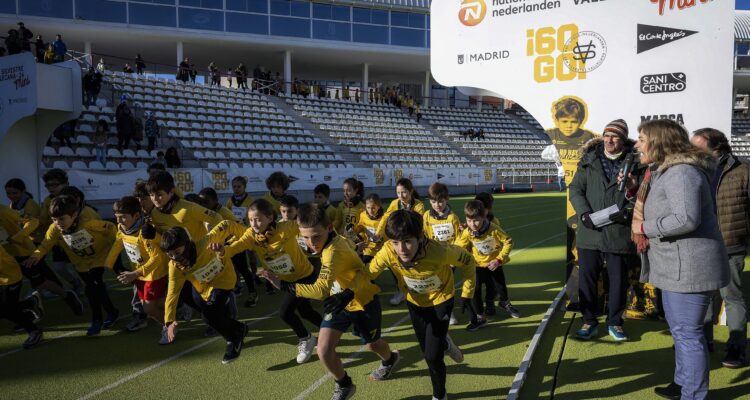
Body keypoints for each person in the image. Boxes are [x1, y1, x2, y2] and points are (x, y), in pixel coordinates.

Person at [622, 119, 730, 400]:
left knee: (688, 334)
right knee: (682, 332)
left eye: (642, 139)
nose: (637, 145)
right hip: (677, 266)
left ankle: (693, 394)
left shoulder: (681, 171)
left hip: (689, 268)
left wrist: (643, 227)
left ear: (659, 142)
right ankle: (683, 384)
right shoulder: (664, 171)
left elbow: (686, 219)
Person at [293, 204, 400, 399]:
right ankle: (344, 385)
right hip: (339, 302)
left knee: (373, 345)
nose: (311, 243)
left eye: (316, 236)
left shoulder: (333, 252)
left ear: (329, 228)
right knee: (323, 350)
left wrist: (290, 288)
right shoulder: (334, 240)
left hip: (363, 301)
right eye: (306, 237)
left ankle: (390, 359)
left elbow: (320, 290)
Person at [366, 210, 476, 400]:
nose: (401, 249)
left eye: (408, 241)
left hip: (441, 299)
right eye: (395, 242)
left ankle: (439, 395)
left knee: (432, 358)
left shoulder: (440, 252)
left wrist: (467, 293)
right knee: (427, 349)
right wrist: (347, 292)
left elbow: (468, 261)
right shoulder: (388, 251)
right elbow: (368, 274)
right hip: (415, 302)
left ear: (421, 236)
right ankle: (444, 341)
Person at [206, 199, 323, 364]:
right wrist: (222, 250)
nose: (254, 223)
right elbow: (235, 247)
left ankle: (306, 338)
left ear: (270, 217)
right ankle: (329, 330)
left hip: (305, 275)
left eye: (258, 219)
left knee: (285, 312)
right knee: (305, 311)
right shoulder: (251, 235)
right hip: (284, 280)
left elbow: (309, 228)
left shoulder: (286, 228)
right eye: (251, 219)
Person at [569, 119, 641, 341]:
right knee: (587, 279)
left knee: (618, 280)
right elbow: (575, 190)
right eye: (607, 135)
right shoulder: (588, 160)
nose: (610, 140)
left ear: (623, 139)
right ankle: (588, 321)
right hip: (590, 232)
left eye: (615, 136)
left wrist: (628, 212)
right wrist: (584, 214)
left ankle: (615, 323)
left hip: (618, 232)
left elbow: (643, 193)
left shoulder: (637, 162)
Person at [691, 128, 750, 368]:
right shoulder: (693, 169)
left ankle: (736, 347)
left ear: (716, 147)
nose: (692, 149)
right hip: (701, 245)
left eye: (697, 145)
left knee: (732, 296)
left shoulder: (743, 170)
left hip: (731, 244)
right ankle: (703, 343)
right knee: (703, 298)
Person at [25, 195, 119, 336]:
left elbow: (111, 227)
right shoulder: (55, 228)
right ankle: (112, 312)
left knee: (92, 288)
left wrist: (116, 244)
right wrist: (35, 255)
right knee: (96, 287)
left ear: (74, 215)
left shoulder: (87, 223)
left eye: (62, 219)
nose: (58, 223)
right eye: (54, 219)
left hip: (99, 258)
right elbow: (46, 244)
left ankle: (97, 320)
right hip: (80, 263)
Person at [161, 227, 248, 363]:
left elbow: (226, 224)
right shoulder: (174, 266)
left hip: (224, 279)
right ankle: (236, 326)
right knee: (192, 299)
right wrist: (169, 322)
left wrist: (250, 235)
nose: (174, 258)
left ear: (187, 244)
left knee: (208, 315)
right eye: (169, 254)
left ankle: (234, 337)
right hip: (205, 287)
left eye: (177, 252)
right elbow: (172, 293)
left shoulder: (207, 242)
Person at [105, 196, 169, 344]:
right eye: (117, 217)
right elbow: (117, 244)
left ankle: (169, 326)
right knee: (158, 303)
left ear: (136, 215)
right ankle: (175, 310)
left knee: (148, 309)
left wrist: (135, 273)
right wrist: (108, 264)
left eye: (123, 217)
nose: (119, 221)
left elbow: (157, 258)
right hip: (139, 275)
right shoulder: (122, 229)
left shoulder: (145, 233)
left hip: (154, 274)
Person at [0, 203, 83, 315]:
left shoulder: (5, 211)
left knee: (40, 282)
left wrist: (16, 238)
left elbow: (33, 221)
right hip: (5, 256)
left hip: (22, 253)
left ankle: (67, 296)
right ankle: (23, 312)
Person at [455, 200, 516, 328]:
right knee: (475, 290)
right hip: (477, 266)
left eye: (476, 220)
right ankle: (480, 317)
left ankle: (505, 303)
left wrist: (499, 259)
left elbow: (508, 241)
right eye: (469, 220)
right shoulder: (467, 232)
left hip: (494, 265)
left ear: (483, 217)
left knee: (500, 287)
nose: (473, 224)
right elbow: (459, 246)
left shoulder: (494, 229)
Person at [225, 176, 261, 307]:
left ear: (244, 187)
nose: (236, 189)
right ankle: (239, 285)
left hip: (248, 234)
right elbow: (227, 215)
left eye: (239, 186)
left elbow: (255, 216)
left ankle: (254, 276)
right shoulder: (230, 201)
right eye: (234, 186)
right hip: (236, 236)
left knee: (251, 259)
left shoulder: (250, 201)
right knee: (238, 264)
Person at [0, 246, 44, 349]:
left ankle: (34, 331)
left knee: (7, 310)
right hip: (3, 278)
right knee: (5, 309)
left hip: (10, 278)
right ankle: (30, 303)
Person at [353, 193, 384, 263]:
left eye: (373, 208)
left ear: (378, 207)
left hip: (380, 250)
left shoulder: (383, 218)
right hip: (367, 249)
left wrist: (379, 238)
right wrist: (353, 229)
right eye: (368, 208)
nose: (370, 210)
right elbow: (360, 227)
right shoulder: (363, 215)